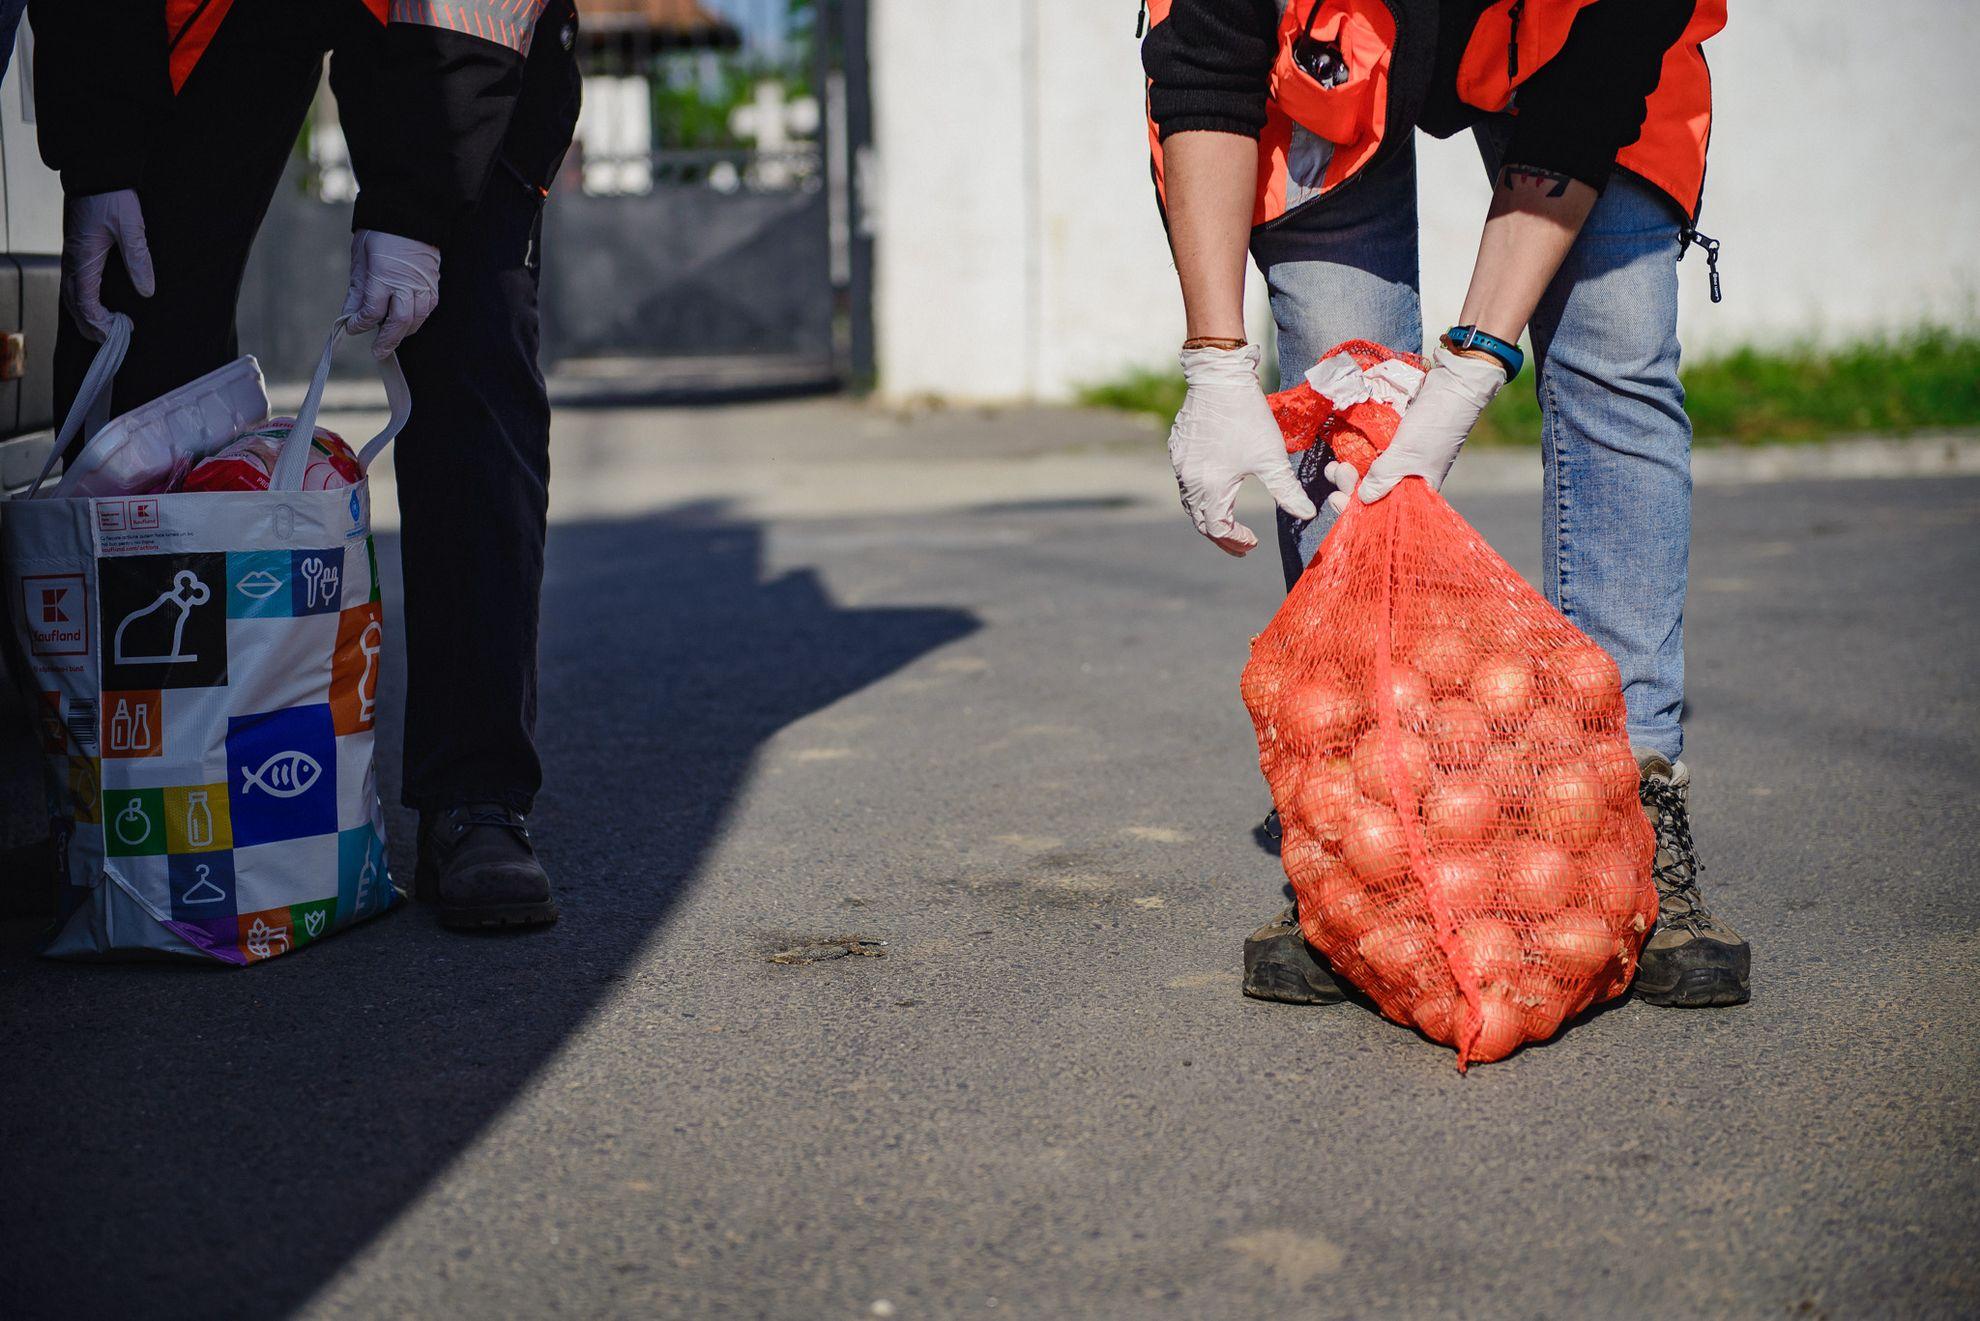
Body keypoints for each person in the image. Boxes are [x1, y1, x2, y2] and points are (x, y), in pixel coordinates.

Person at [1142, 0, 1749, 1008]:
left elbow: (1589, 97)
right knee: (1347, 388)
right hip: (1334, 45)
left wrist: (1472, 364)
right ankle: (1366, 823)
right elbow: (1205, 67)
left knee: (1618, 356)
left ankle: (1629, 805)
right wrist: (1213, 361)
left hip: (1570, 43)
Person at [33, 0, 580, 929]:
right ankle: (133, 803)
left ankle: (477, 795)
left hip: (453, 28)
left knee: (471, 339)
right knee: (141, 314)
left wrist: (417, 200)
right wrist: (103, 155)